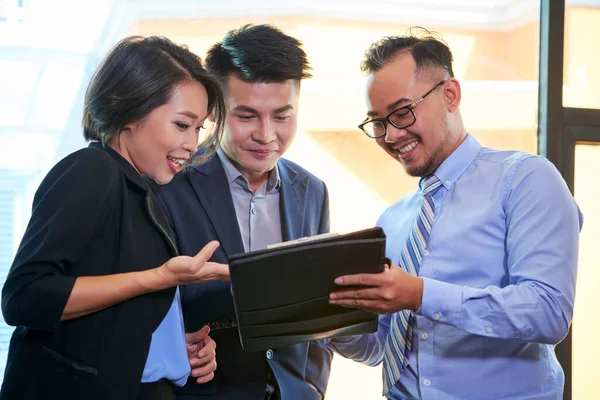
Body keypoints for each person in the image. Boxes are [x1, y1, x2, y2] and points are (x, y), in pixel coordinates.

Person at [326, 28, 583, 400]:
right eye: (378, 123)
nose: (391, 136)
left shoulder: (524, 179)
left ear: (450, 94)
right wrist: (322, 320)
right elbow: (381, 346)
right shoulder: (393, 220)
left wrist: (420, 294)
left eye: (402, 113)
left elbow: (548, 312)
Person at [0, 36, 230, 400]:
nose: (192, 143)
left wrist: (169, 347)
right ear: (131, 111)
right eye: (182, 125)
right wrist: (158, 278)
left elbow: (105, 314)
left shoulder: (142, 187)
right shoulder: (93, 170)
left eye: (199, 128)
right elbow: (24, 296)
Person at [153, 24, 332, 400]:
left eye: (282, 117)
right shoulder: (169, 182)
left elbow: (319, 305)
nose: (267, 135)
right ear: (215, 111)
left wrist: (312, 385)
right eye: (247, 116)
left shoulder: (312, 191)